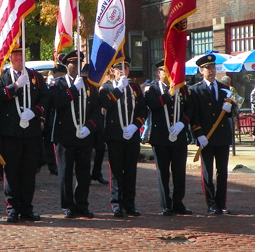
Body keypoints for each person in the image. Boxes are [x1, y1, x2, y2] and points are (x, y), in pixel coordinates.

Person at [0, 45, 49, 223]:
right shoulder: (1, 76)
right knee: (12, 172)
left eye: (21, 54)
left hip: (30, 132)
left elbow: (46, 98)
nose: (18, 58)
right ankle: (12, 209)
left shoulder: (34, 76)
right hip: (11, 133)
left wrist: (36, 112)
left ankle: (26, 208)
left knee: (29, 172)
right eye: (15, 54)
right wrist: (14, 86)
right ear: (9, 58)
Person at [50, 50, 101, 219]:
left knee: (84, 172)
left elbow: (95, 110)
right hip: (65, 136)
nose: (77, 67)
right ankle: (68, 206)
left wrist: (89, 127)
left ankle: (82, 205)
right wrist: (73, 90)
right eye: (74, 63)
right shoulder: (58, 84)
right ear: (67, 65)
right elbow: (56, 103)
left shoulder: (89, 85)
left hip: (84, 135)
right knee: (65, 173)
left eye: (80, 63)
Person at [99, 57, 147, 217]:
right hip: (114, 135)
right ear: (112, 71)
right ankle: (116, 203)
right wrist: (118, 89)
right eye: (119, 68)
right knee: (116, 171)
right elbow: (104, 104)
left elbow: (143, 110)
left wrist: (136, 126)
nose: (122, 71)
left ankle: (129, 204)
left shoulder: (135, 88)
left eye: (125, 68)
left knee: (131, 171)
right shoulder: (106, 88)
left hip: (131, 135)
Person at [145, 59, 193, 216]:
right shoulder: (152, 89)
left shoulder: (183, 89)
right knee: (163, 173)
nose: (169, 74)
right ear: (159, 74)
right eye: (165, 71)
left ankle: (178, 202)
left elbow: (190, 110)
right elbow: (152, 105)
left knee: (179, 172)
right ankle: (166, 204)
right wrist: (168, 94)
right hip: (160, 138)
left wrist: (182, 123)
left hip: (178, 136)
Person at [190, 53, 234, 215]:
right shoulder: (195, 90)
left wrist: (230, 110)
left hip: (222, 135)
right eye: (207, 68)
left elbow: (232, 110)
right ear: (201, 71)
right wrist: (198, 134)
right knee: (207, 173)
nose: (211, 70)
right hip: (206, 137)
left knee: (222, 172)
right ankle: (211, 203)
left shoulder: (225, 89)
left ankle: (222, 203)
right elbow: (193, 115)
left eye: (213, 67)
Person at [85, 64, 109, 185]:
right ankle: (86, 174)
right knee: (87, 151)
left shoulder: (98, 86)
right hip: (86, 123)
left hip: (97, 122)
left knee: (100, 149)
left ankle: (97, 172)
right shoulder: (83, 85)